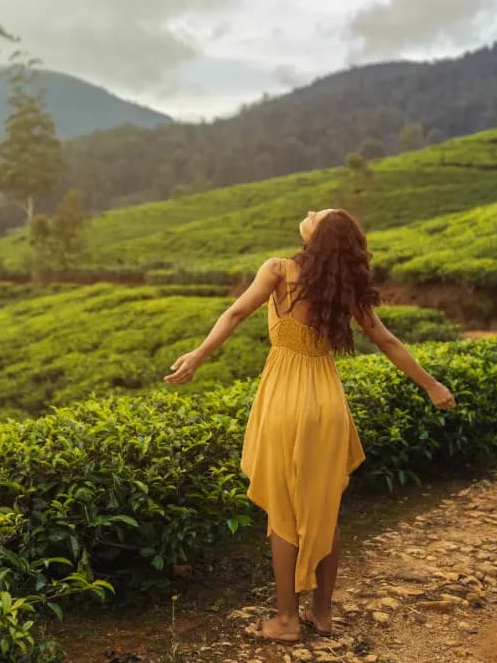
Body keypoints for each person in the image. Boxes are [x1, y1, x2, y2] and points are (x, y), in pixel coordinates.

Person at [164, 208, 456, 644]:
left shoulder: (279, 271)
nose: (308, 212)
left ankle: (286, 620)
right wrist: (432, 386)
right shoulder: (346, 289)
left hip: (284, 399)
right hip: (327, 402)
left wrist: (197, 355)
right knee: (324, 507)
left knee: (284, 511)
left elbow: (235, 313)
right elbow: (387, 341)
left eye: (316, 215)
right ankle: (322, 614)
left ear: (318, 236)